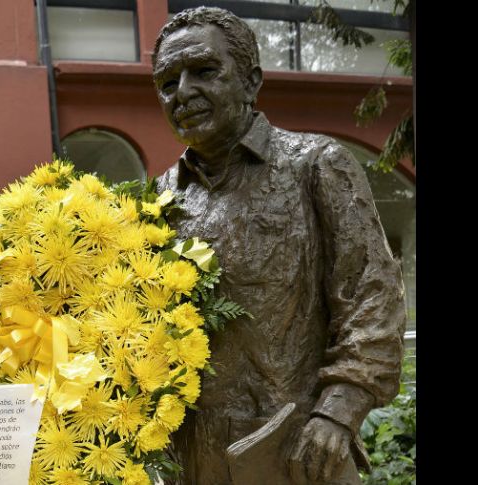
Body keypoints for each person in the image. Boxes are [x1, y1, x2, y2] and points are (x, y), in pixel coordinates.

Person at [152, 7, 406, 485]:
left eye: (204, 71)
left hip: (296, 448)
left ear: (250, 82)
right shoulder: (159, 199)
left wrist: (339, 409)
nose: (183, 92)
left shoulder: (317, 165)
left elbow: (372, 295)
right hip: (192, 457)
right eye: (167, 83)